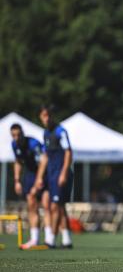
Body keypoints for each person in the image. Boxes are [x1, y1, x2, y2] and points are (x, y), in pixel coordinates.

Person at [34, 105, 74, 248]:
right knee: (60, 206)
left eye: (48, 115)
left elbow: (69, 152)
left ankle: (51, 239)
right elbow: (45, 156)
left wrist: (63, 173)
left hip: (60, 173)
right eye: (44, 116)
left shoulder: (60, 132)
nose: (46, 118)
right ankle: (66, 239)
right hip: (51, 174)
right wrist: (39, 177)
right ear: (40, 117)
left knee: (55, 206)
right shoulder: (45, 133)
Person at [10, 124, 53, 249]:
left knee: (46, 205)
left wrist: (39, 179)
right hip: (29, 175)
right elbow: (18, 161)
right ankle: (34, 239)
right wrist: (17, 180)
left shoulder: (33, 144)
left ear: (22, 133)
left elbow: (44, 160)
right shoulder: (14, 145)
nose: (16, 138)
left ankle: (49, 239)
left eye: (18, 135)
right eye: (14, 135)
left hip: (44, 173)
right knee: (31, 206)